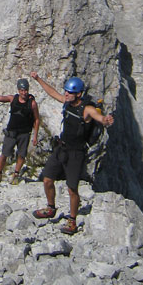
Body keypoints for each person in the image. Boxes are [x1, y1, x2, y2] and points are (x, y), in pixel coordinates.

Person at [29, 71, 114, 235]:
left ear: (79, 94)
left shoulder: (87, 109)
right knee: (47, 179)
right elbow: (52, 92)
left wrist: (105, 120)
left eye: (69, 92)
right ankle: (51, 208)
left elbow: (98, 117)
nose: (66, 94)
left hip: (76, 153)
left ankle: (72, 220)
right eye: (66, 91)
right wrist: (38, 79)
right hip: (61, 148)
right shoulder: (67, 103)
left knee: (72, 188)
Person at [0, 78, 40, 184]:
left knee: (22, 155)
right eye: (22, 90)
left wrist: (35, 136)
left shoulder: (32, 104)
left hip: (24, 133)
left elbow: (37, 119)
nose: (24, 93)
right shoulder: (13, 99)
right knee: (4, 153)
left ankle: (16, 174)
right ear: (18, 90)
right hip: (11, 132)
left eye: (26, 90)